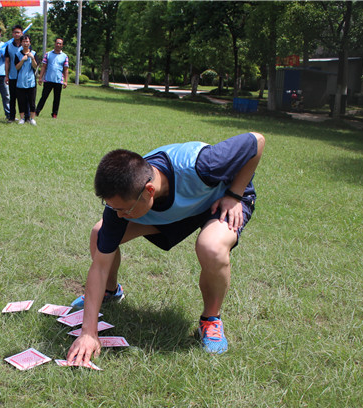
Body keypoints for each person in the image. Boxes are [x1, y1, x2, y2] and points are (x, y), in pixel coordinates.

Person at [66, 132, 265, 365]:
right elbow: (99, 265)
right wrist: (89, 332)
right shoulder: (123, 204)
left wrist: (234, 194)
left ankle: (210, 319)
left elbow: (257, 140)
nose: (119, 215)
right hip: (177, 211)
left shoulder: (206, 164)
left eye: (124, 210)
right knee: (101, 232)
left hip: (219, 203)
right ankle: (111, 292)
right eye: (113, 208)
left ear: (149, 190)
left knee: (211, 246)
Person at [35, 38, 69, 119]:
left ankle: (54, 114)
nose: (58, 45)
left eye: (60, 44)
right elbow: (44, 67)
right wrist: (40, 78)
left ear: (62, 45)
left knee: (57, 98)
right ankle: (37, 111)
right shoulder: (48, 54)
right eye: (57, 43)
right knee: (44, 96)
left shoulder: (64, 56)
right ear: (55, 44)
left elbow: (66, 69)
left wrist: (66, 81)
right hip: (48, 79)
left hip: (58, 80)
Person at [14, 35, 37, 125]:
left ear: (30, 42)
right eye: (24, 41)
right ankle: (22, 118)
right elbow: (16, 67)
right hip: (20, 81)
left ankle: (32, 118)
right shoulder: (18, 54)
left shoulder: (34, 53)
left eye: (27, 41)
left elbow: (35, 66)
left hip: (31, 81)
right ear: (21, 43)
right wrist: (22, 60)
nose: (25, 43)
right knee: (21, 100)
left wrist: (32, 58)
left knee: (32, 101)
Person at [4, 25, 23, 123]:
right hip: (12, 75)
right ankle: (11, 117)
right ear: (12, 34)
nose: (17, 34)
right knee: (13, 98)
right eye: (15, 32)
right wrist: (6, 75)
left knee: (23, 97)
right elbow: (7, 62)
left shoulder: (25, 45)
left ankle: (24, 117)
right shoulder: (9, 46)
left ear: (22, 33)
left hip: (23, 77)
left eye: (18, 32)